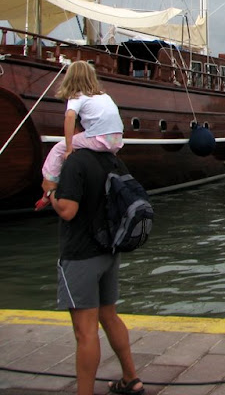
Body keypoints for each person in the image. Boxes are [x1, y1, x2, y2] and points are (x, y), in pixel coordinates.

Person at [50, 148, 145, 395]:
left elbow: (67, 210)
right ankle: (131, 378)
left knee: (85, 331)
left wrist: (50, 191)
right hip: (108, 251)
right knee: (109, 315)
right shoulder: (112, 160)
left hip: (81, 255)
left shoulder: (76, 162)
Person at [37, 60, 124, 210]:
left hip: (99, 139)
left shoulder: (77, 96)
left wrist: (69, 148)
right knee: (85, 138)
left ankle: (49, 186)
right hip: (116, 140)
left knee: (58, 149)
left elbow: (70, 116)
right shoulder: (104, 96)